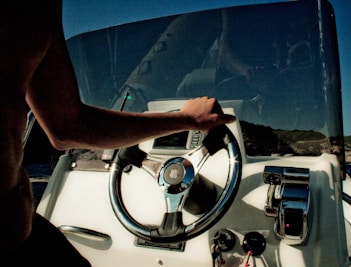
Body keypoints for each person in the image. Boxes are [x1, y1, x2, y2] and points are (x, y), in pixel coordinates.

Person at [0, 0, 235, 265]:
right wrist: (187, 119)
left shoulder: (38, 10)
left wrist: (187, 119)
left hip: (16, 226)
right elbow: (68, 130)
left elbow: (68, 127)